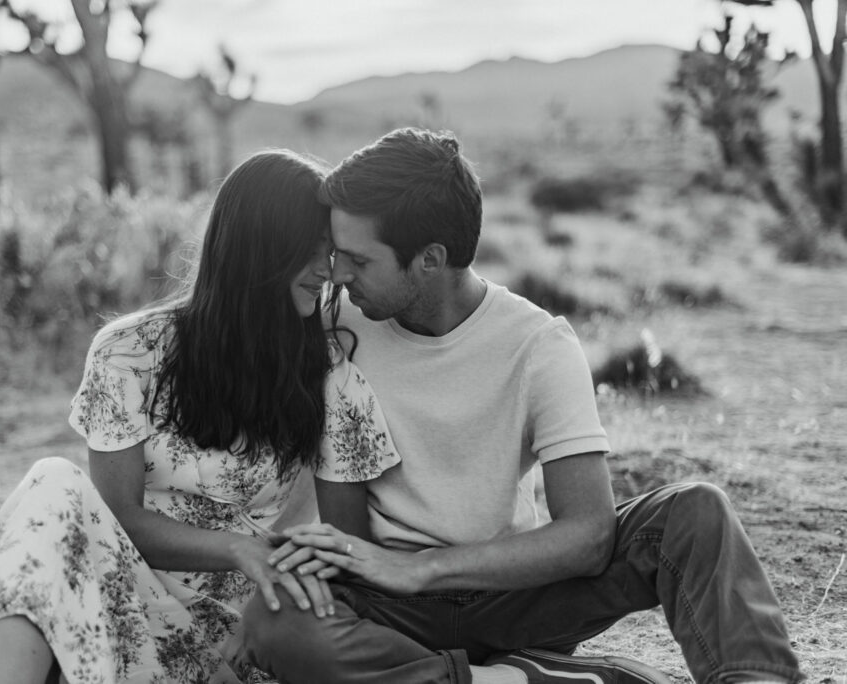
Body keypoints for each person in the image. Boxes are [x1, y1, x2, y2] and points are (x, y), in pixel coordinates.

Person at [242, 128, 804, 684]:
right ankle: (528, 681)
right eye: (339, 255)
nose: (338, 276)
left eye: (360, 262)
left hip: (514, 599)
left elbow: (589, 534)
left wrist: (420, 568)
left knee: (695, 511)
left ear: (430, 260)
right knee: (273, 621)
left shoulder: (539, 345)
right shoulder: (335, 325)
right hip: (383, 606)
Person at [0, 149, 401, 683]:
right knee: (52, 482)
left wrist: (266, 621)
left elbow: (344, 544)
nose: (324, 272)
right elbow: (118, 513)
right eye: (308, 253)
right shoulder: (128, 351)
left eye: (328, 253)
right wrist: (238, 547)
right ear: (259, 252)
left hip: (239, 629)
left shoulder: (333, 378)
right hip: (124, 596)